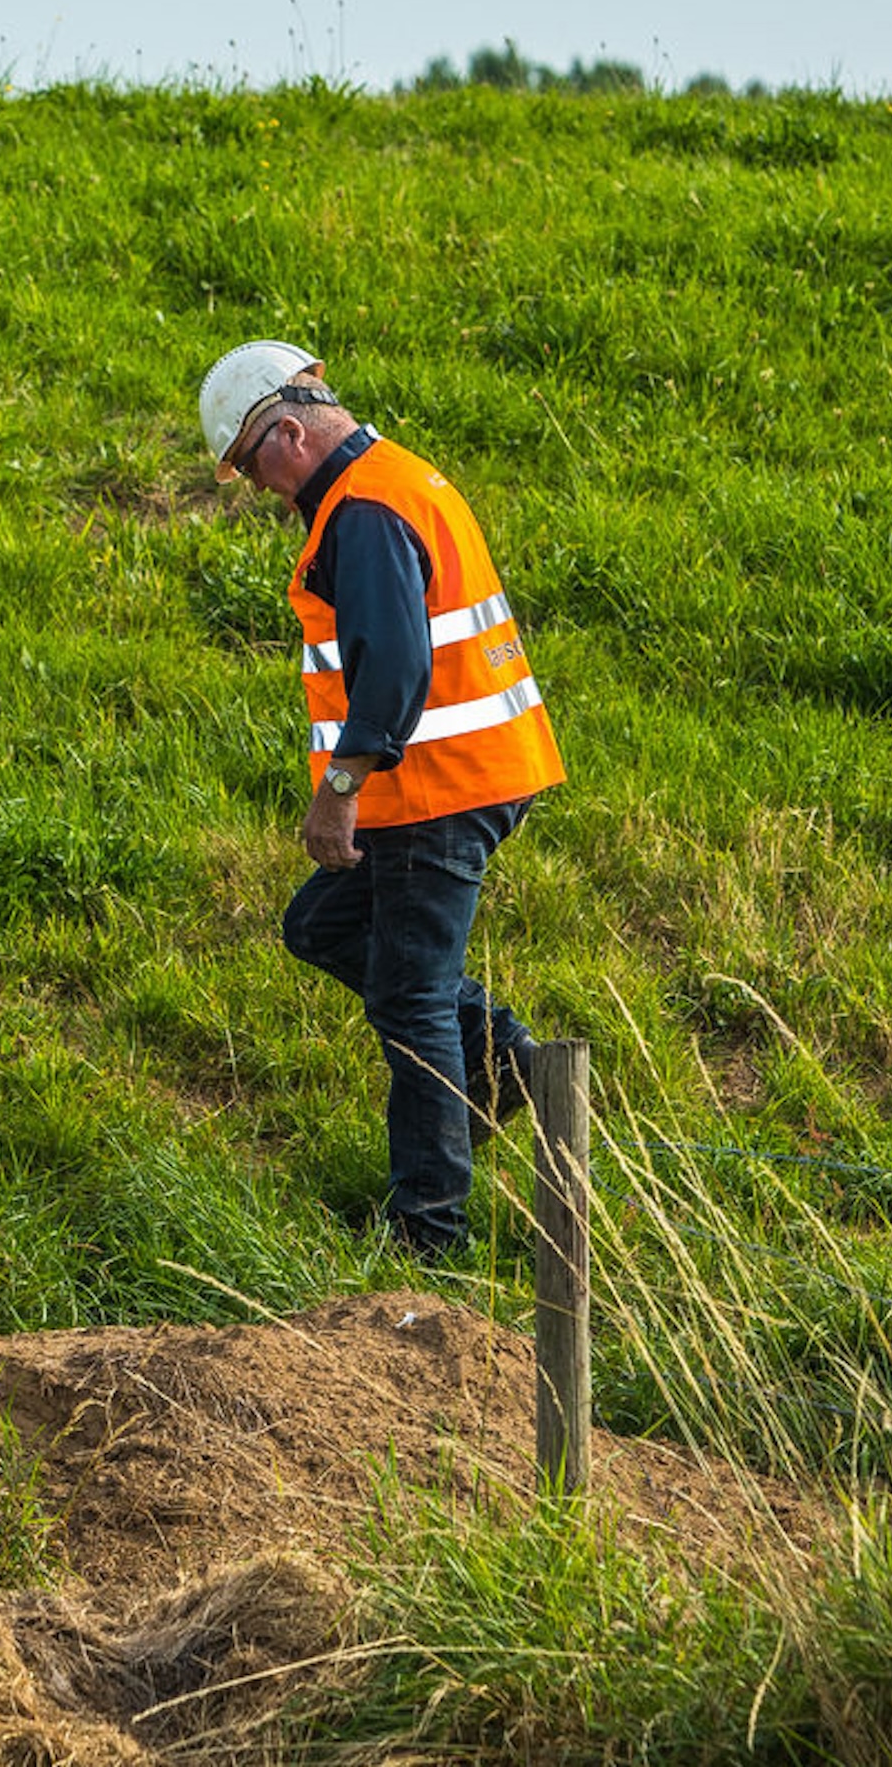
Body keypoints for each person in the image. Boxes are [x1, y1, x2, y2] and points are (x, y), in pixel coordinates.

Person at [196, 339, 565, 1258]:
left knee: (409, 1004)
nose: (252, 487)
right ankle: (508, 1064)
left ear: (286, 430)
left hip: (433, 790)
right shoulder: (397, 479)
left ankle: (426, 1236)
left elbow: (392, 669)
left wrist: (339, 791)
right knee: (321, 926)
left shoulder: (362, 511)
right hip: (469, 774)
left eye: (248, 464)